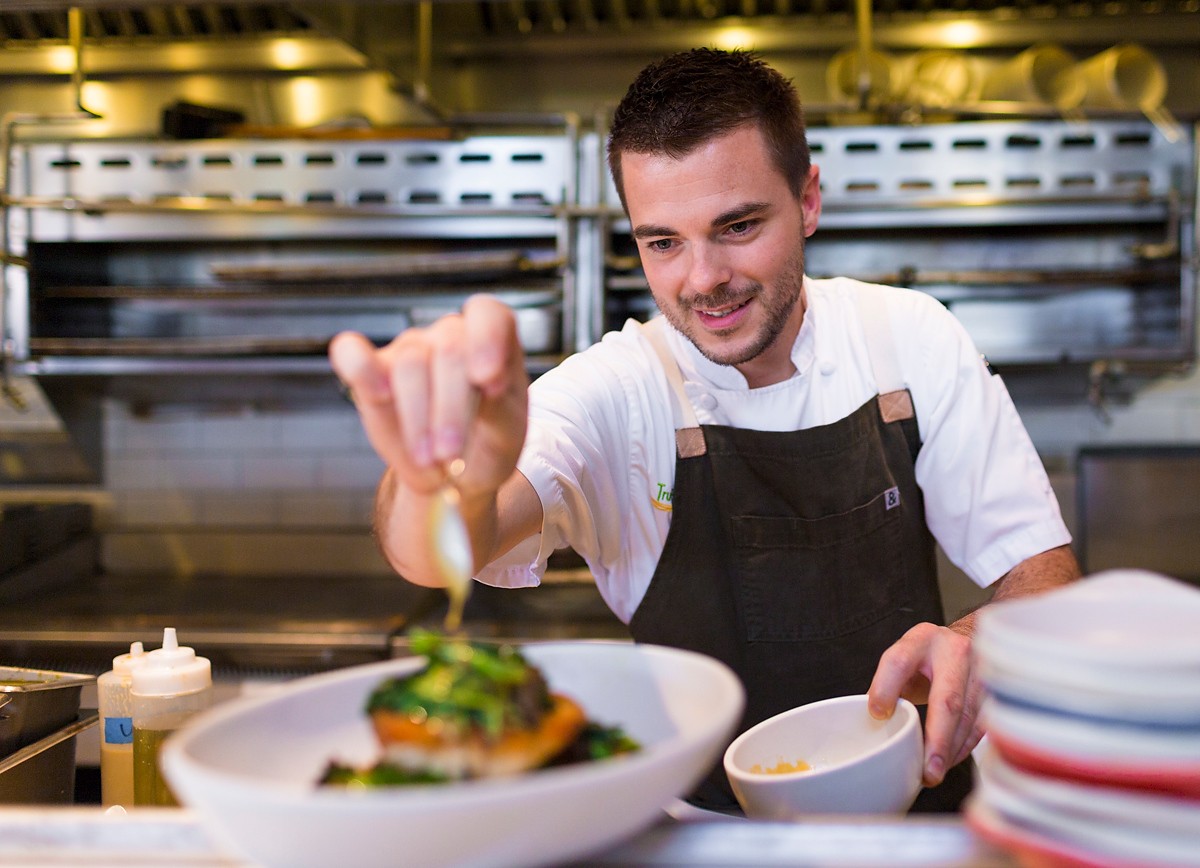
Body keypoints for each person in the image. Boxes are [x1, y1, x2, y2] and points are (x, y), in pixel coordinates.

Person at [329, 47, 1082, 811]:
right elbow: (431, 557)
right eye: (663, 242)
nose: (703, 279)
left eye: (738, 225)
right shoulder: (619, 389)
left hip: (918, 824)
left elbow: (1044, 579)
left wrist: (980, 641)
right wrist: (436, 476)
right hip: (699, 838)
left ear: (808, 200)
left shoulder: (906, 338)